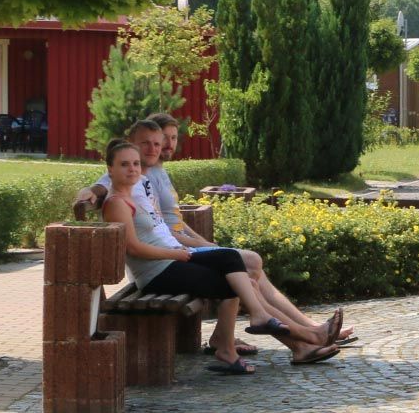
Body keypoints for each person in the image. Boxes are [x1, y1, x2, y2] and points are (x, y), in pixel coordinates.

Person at [98, 139, 342, 374]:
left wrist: (185, 248)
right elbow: (134, 249)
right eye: (124, 164)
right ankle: (301, 338)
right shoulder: (117, 203)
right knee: (238, 283)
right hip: (156, 272)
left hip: (171, 259)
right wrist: (176, 253)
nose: (132, 169)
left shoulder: (134, 193)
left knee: (231, 260)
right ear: (110, 169)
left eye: (135, 163)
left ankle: (279, 332)